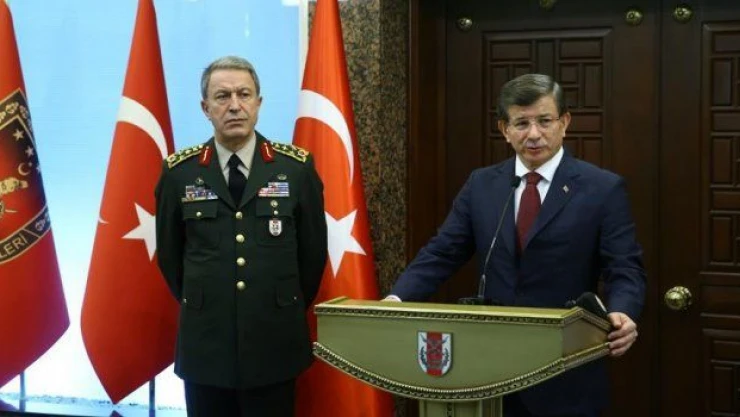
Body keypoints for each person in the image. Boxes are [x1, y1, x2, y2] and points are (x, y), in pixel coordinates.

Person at [387, 73, 645, 417]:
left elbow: (624, 267)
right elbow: (442, 252)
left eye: (545, 121)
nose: (534, 134)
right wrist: (396, 299)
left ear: (565, 122)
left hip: (565, 368)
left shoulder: (602, 188)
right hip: (491, 370)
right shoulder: (482, 185)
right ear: (504, 129)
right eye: (522, 123)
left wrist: (623, 311)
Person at [155, 56, 328, 417]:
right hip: (206, 344)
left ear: (258, 103)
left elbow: (312, 257)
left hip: (274, 341)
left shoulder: (295, 169)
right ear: (205, 108)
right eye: (222, 96)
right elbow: (171, 259)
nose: (234, 105)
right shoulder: (179, 173)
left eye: (244, 94)